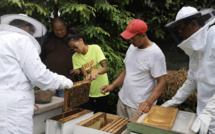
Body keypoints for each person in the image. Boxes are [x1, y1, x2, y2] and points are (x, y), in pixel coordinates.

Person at [0, 14, 73, 134]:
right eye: (32, 33)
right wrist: (64, 81)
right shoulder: (21, 40)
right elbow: (39, 76)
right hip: (13, 107)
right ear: (27, 28)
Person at [162, 6, 215, 134]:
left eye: (181, 30)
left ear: (193, 24)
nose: (181, 35)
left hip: (209, 115)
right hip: (202, 119)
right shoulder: (196, 47)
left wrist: (209, 113)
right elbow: (192, 80)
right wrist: (173, 102)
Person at [100, 19, 167, 119]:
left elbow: (162, 83)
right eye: (128, 39)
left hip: (138, 106)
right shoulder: (132, 47)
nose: (130, 42)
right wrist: (112, 86)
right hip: (123, 100)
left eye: (132, 39)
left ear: (143, 35)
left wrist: (148, 102)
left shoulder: (156, 54)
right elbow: (127, 70)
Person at [66, 29, 110, 113]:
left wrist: (96, 72)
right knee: (88, 115)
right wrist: (88, 77)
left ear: (81, 40)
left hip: (102, 89)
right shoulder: (75, 57)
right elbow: (86, 75)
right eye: (72, 49)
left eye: (75, 46)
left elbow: (105, 68)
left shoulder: (95, 48)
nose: (74, 50)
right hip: (89, 91)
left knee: (101, 114)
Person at [40, 17, 78, 97]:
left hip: (66, 81)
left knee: (65, 108)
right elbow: (42, 56)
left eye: (61, 29)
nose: (59, 32)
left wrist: (79, 68)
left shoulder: (72, 38)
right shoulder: (48, 38)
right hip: (50, 81)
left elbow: (82, 54)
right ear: (53, 29)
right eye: (56, 30)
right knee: (52, 107)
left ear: (65, 27)